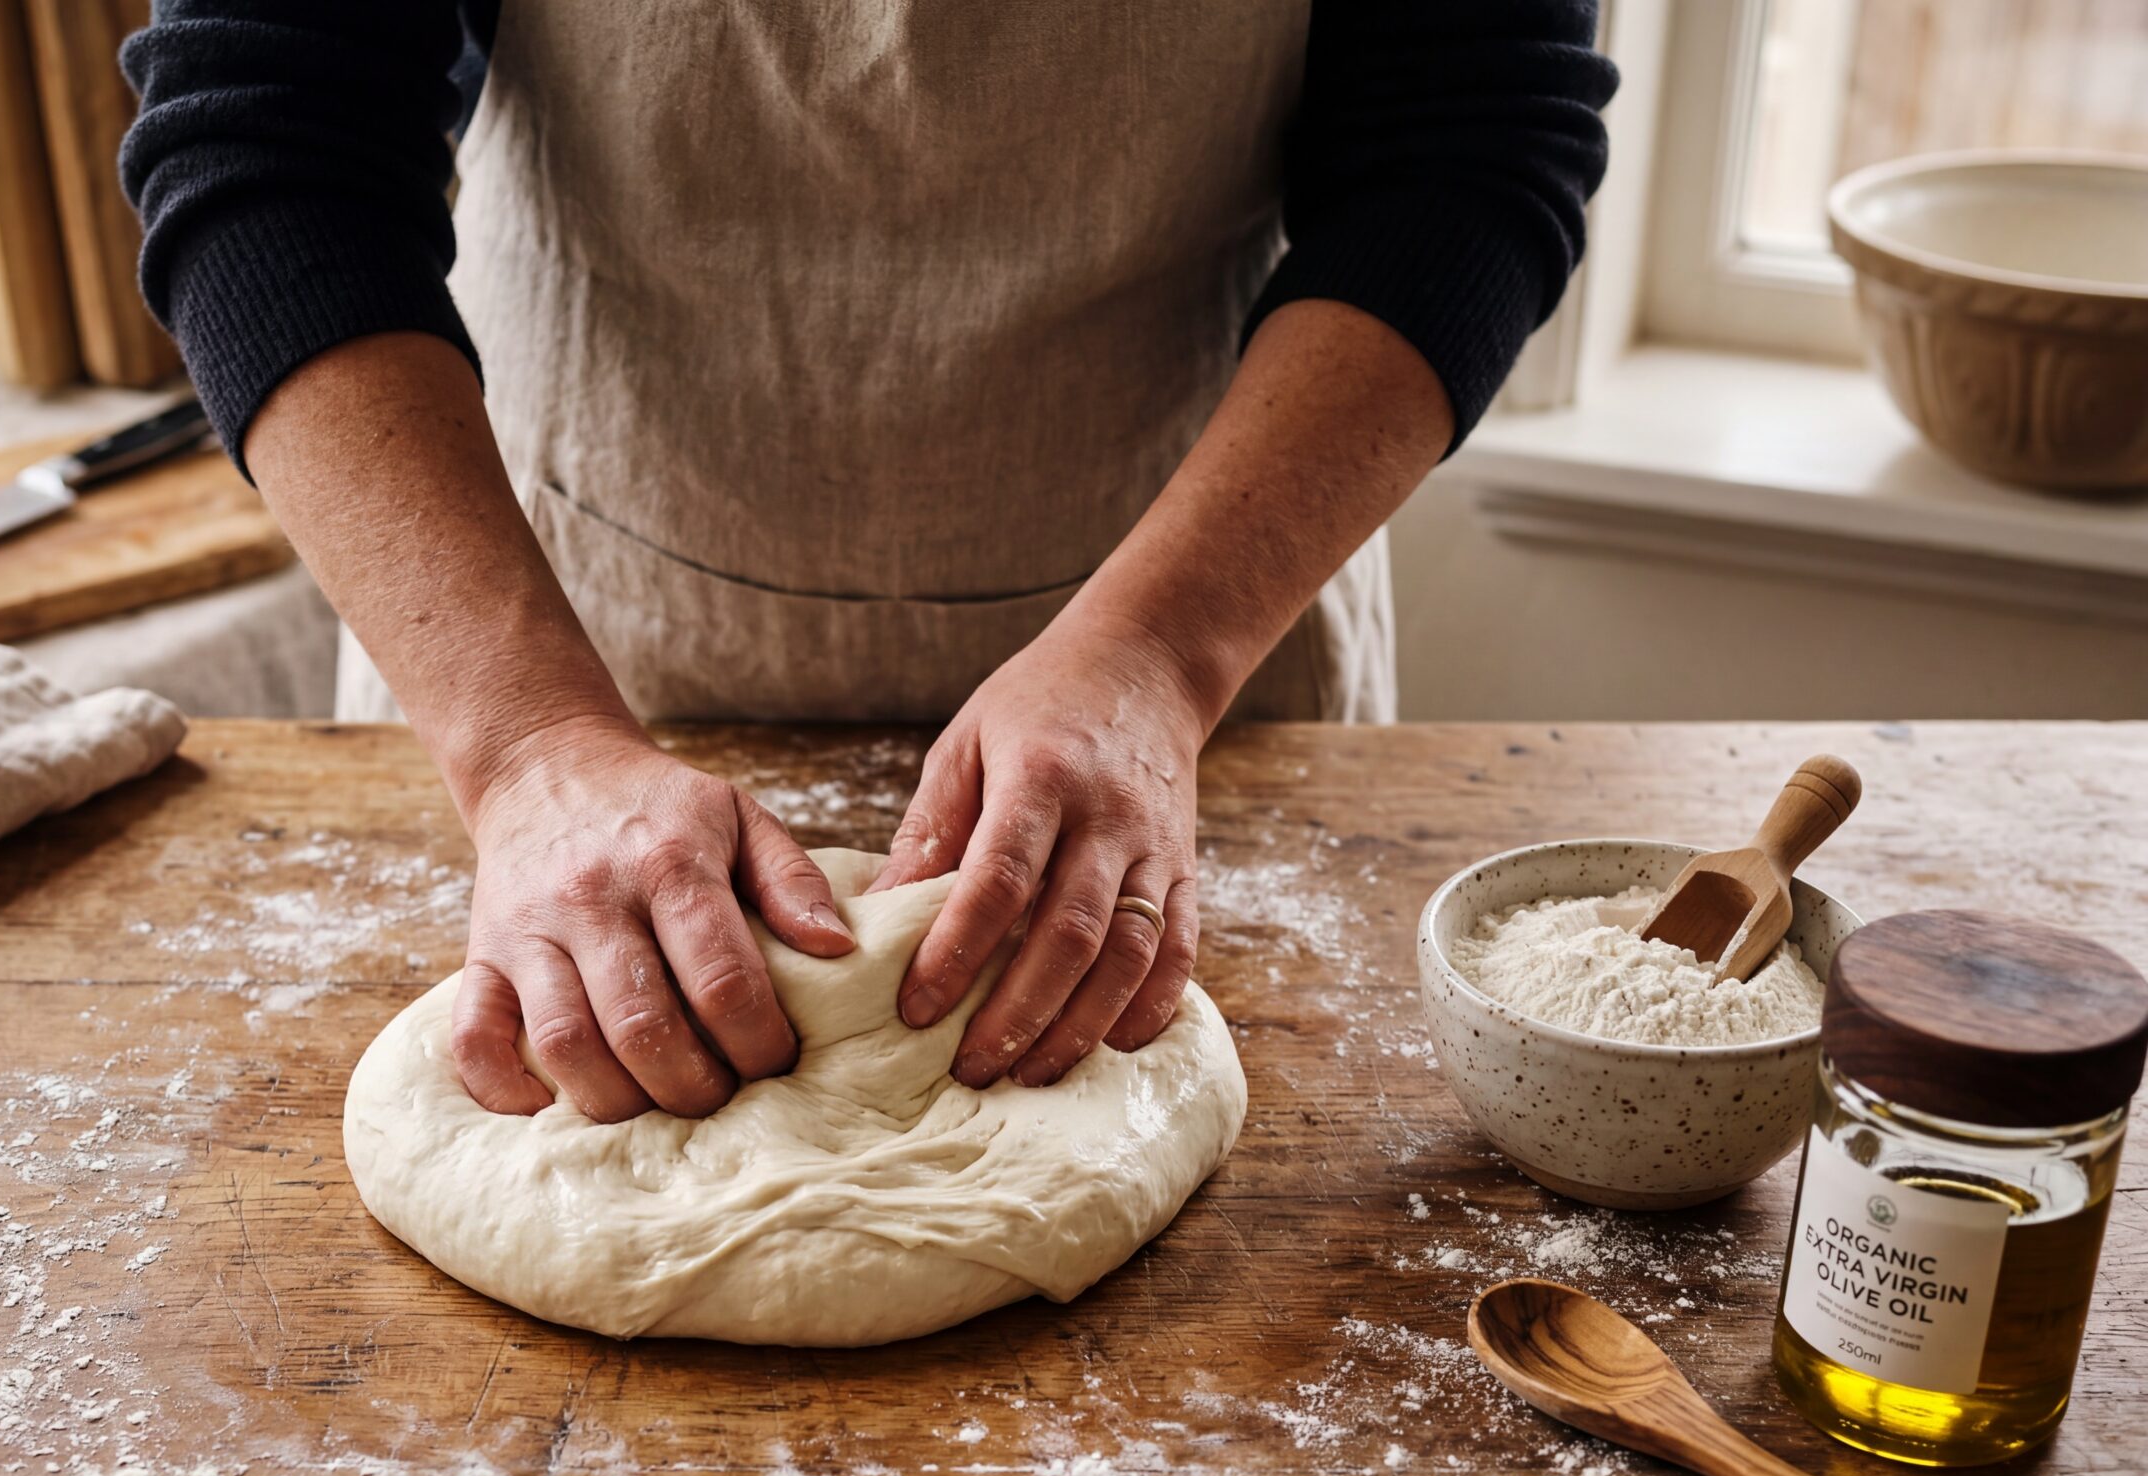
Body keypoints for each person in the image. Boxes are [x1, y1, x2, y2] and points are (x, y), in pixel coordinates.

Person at [122, 2, 1614, 1123]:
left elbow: (1465, 155)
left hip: (1202, 599)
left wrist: (1160, 656)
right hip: (551, 614)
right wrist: (523, 743)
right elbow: (269, 136)